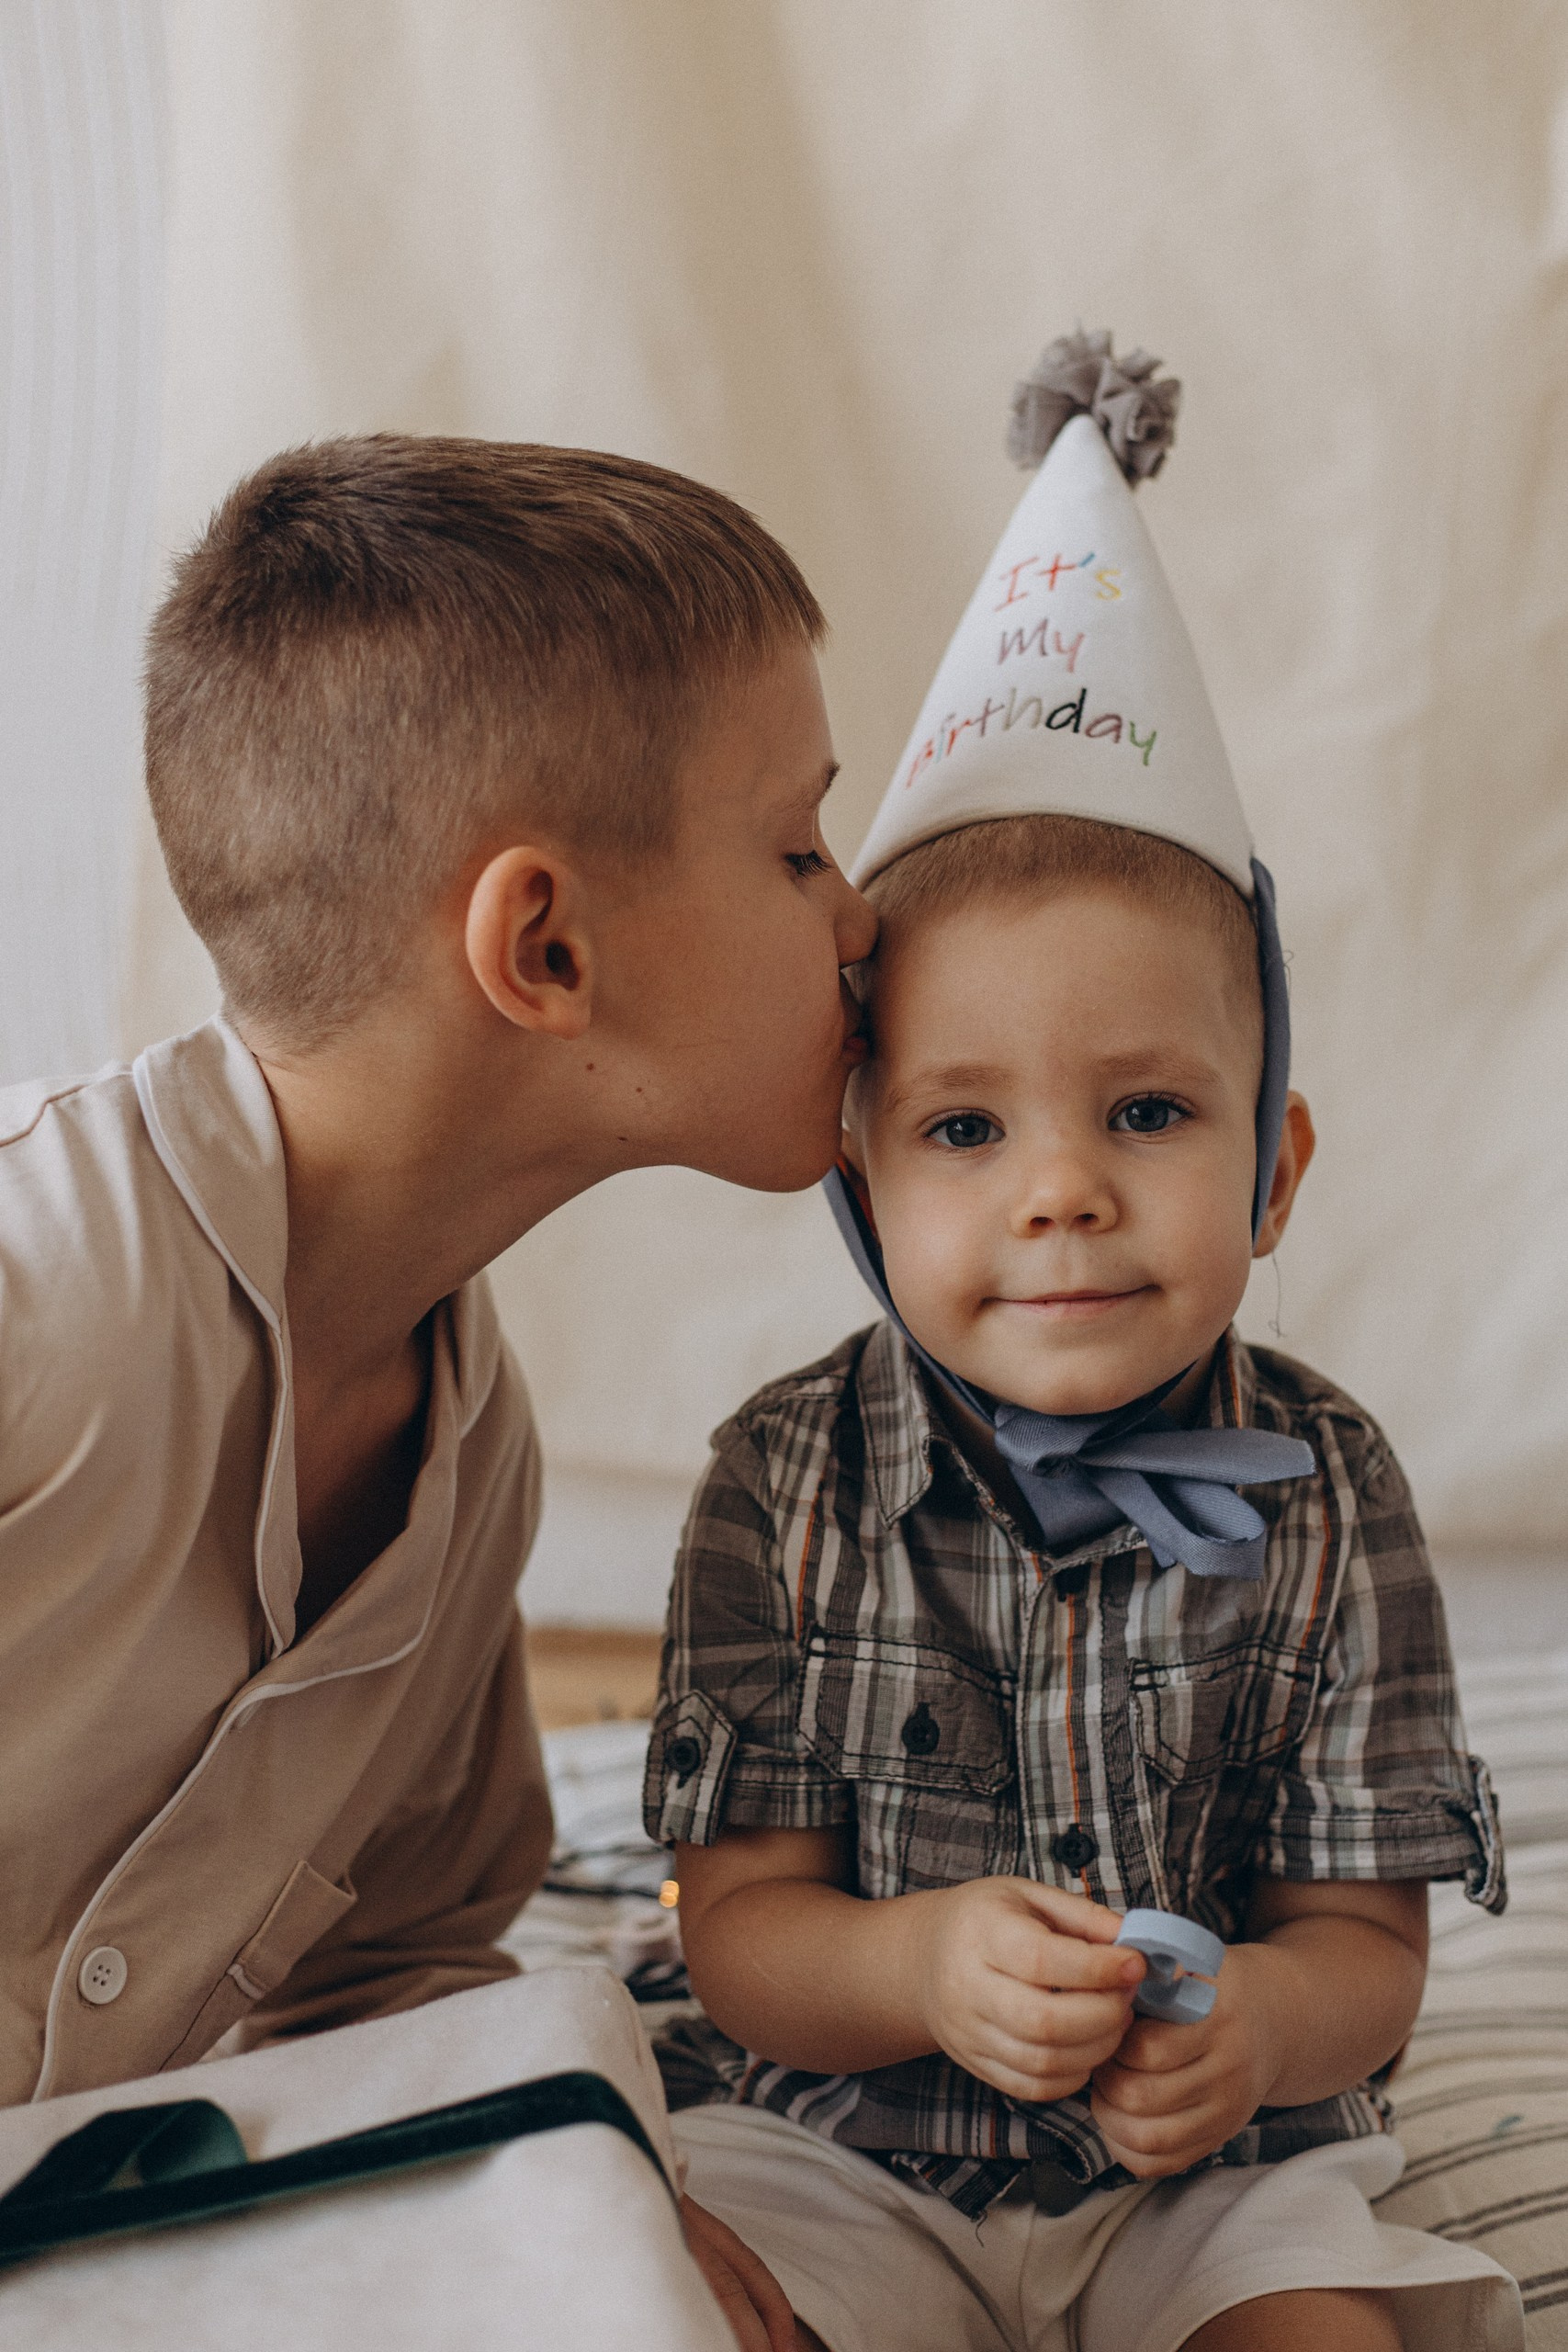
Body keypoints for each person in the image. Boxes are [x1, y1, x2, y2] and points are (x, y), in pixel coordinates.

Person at [645, 337, 1523, 2351]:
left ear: (1272, 1165)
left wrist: (1255, 2027)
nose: (1060, 1191)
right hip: (846, 2146)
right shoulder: (778, 1485)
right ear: (860, 1173)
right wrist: (917, 1966)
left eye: (1144, 1110)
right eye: (965, 1129)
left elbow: (1360, 1938)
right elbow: (740, 1928)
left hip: (1203, 2174)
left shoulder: (1329, 1490)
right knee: (694, 2309)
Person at [0, 434, 875, 2350]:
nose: (862, 917)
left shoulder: (470, 1459)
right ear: (545, 946)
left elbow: (389, 1964)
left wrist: (583, 2192)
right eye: (799, 847)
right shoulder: (33, 1288)